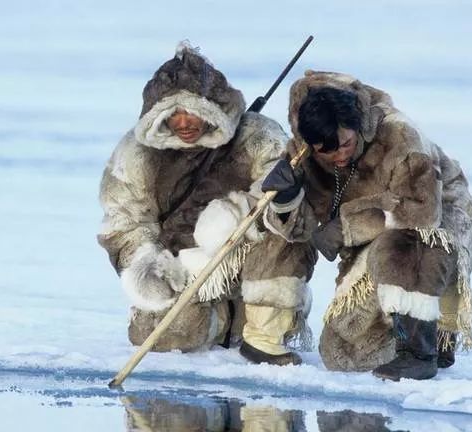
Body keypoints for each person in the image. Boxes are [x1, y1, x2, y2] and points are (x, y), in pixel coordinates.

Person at [97, 42, 315, 366]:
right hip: (180, 269)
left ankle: (264, 328)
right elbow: (123, 219)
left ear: (211, 109)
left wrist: (252, 209)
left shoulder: (257, 136)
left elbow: (288, 205)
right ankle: (224, 320)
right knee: (165, 337)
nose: (183, 123)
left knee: (283, 241)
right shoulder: (137, 152)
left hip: (243, 254)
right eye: (174, 115)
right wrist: (152, 268)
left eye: (192, 112)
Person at [262, 71, 472, 380]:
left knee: (406, 244)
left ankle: (421, 349)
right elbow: (300, 231)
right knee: (344, 355)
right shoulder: (301, 155)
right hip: (373, 228)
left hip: (437, 215)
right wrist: (285, 199)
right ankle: (401, 329)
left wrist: (345, 227)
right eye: (328, 150)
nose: (340, 155)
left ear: (357, 127)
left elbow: (420, 213)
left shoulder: (400, 136)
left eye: (346, 144)